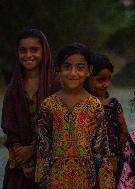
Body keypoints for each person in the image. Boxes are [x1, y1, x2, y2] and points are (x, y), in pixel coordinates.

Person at [35, 43, 115, 189]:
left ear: (89, 70)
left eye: (80, 67)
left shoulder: (94, 106)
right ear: (57, 69)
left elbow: (101, 150)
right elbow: (43, 148)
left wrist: (106, 183)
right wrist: (42, 181)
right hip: (55, 180)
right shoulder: (48, 105)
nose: (73, 73)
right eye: (67, 67)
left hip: (86, 179)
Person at [1, 28, 59, 189]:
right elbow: (9, 127)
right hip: (20, 166)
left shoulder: (56, 85)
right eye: (23, 50)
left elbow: (58, 127)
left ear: (44, 51)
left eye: (34, 50)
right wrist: (23, 158)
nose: (28, 55)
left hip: (51, 163)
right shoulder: (13, 88)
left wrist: (33, 149)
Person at [86, 52, 128, 182]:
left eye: (108, 79)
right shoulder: (80, 106)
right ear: (86, 77)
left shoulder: (113, 105)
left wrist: (117, 156)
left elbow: (124, 132)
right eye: (100, 80)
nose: (106, 84)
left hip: (112, 163)